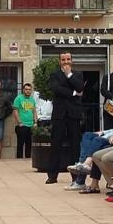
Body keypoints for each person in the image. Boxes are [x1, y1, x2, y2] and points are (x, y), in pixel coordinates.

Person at [66, 86, 113, 191]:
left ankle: (83, 173)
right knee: (87, 135)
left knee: (97, 143)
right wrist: (102, 132)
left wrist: (105, 135)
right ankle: (84, 165)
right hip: (111, 136)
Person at [47, 52, 85, 184]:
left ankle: (76, 176)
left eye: (68, 59)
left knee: (75, 145)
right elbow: (56, 89)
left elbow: (80, 87)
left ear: (72, 61)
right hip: (59, 114)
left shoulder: (78, 74)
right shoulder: (54, 75)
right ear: (59, 61)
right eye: (63, 59)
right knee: (56, 144)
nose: (66, 62)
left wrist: (69, 75)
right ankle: (52, 175)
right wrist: (74, 93)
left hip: (73, 114)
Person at [12, 83, 37, 159]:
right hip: (22, 125)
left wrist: (35, 122)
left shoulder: (32, 99)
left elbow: (34, 111)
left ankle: (28, 159)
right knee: (20, 144)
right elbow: (15, 111)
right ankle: (19, 160)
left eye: (29, 89)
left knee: (29, 144)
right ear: (23, 90)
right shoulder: (18, 98)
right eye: (26, 89)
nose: (28, 91)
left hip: (31, 125)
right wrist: (19, 122)